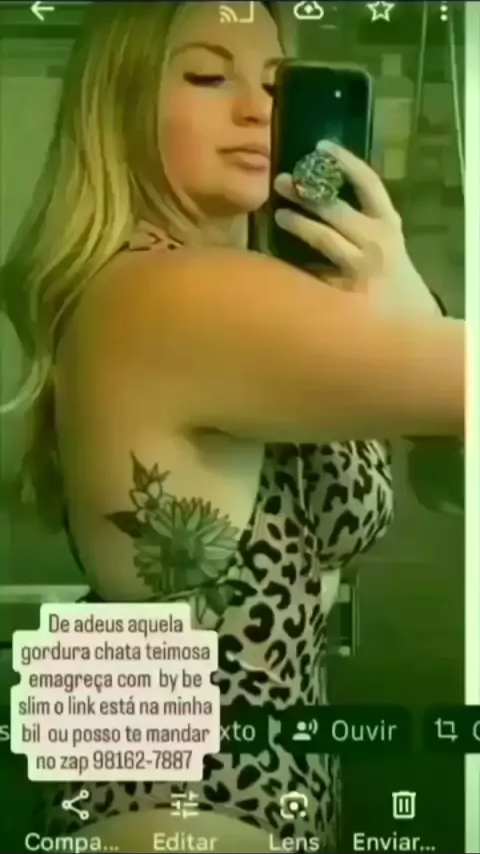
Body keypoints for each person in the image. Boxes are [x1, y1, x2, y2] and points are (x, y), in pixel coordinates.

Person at [0, 2, 463, 852]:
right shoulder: (165, 293)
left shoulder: (238, 295)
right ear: (122, 101)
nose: (256, 109)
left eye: (278, 85)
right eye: (209, 76)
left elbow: (450, 475)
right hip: (180, 809)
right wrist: (402, 289)